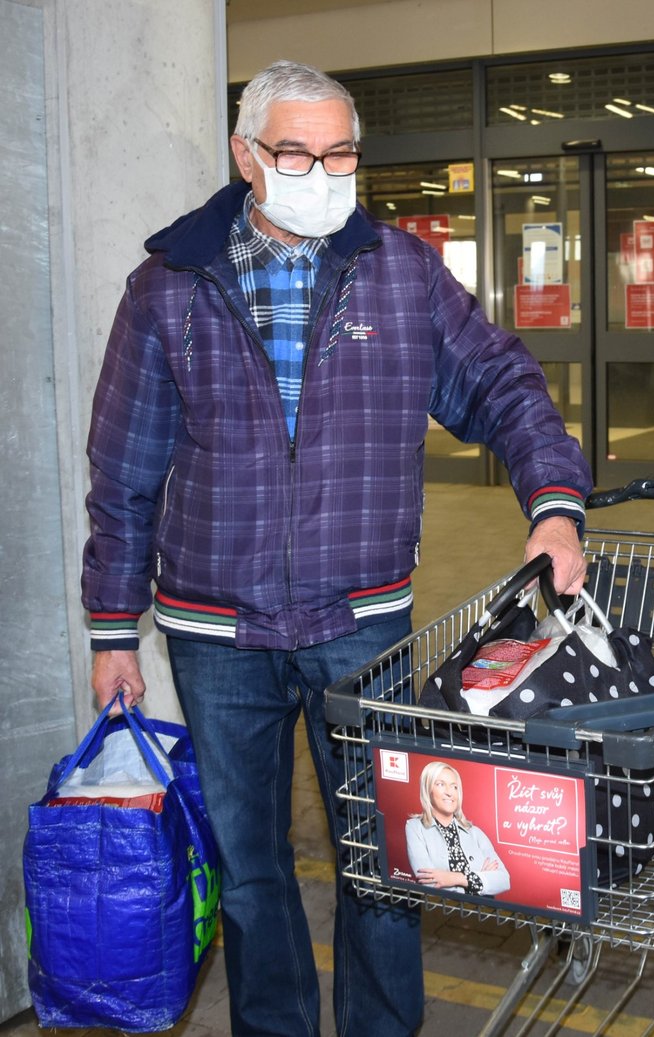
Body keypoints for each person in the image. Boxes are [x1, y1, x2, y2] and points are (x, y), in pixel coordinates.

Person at [81, 59, 591, 1037]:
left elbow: (503, 385)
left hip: (364, 625)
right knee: (252, 875)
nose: (324, 171)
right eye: (296, 152)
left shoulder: (400, 275)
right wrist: (112, 628)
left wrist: (555, 500)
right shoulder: (168, 290)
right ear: (245, 156)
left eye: (342, 152)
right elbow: (125, 469)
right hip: (213, 632)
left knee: (388, 865)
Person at [405, 762, 510, 896]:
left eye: (454, 787)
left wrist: (456, 878)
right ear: (428, 789)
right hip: (440, 911)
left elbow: (503, 880)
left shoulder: (475, 833)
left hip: (482, 912)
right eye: (440, 784)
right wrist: (480, 879)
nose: (449, 792)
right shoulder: (414, 827)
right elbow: (430, 882)